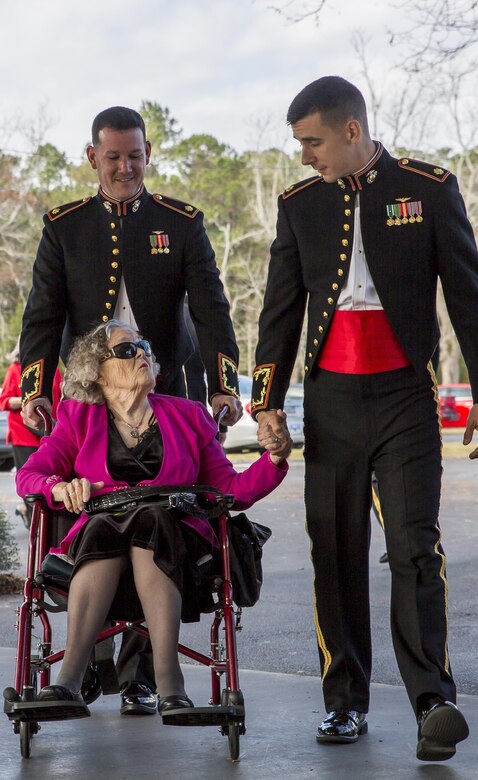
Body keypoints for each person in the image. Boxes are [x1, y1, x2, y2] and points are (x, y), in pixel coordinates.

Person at [251, 76, 478, 762]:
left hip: (404, 398)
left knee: (415, 549)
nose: (305, 155)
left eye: (312, 142)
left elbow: (467, 289)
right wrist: (266, 402)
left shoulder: (429, 186)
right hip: (331, 399)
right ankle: (344, 703)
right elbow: (279, 310)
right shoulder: (299, 205)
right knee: (333, 555)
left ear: (351, 131)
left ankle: (434, 702)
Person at [19, 105, 243, 717]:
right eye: (113, 156)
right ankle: (87, 664)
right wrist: (36, 390)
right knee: (89, 511)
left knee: (159, 516)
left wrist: (223, 386)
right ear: (93, 157)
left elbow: (212, 310)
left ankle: (142, 676)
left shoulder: (181, 222)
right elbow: (42, 315)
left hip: (166, 391)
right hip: (90, 394)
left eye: (135, 156)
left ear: (149, 154)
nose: (125, 167)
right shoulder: (64, 227)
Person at [12, 321, 291, 721]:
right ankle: (68, 681)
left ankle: (168, 681)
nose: (141, 353)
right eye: (126, 350)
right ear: (98, 372)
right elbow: (29, 476)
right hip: (101, 545)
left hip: (175, 543)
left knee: (152, 516)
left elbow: (231, 489)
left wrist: (276, 457)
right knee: (106, 523)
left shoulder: (189, 415)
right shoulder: (78, 418)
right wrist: (59, 487)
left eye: (143, 346)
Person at [0, 339, 62, 528]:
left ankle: (39, 518)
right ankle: (35, 522)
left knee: (52, 478)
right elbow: (5, 401)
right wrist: (29, 400)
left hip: (49, 434)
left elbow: (59, 401)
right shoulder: (15, 370)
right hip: (24, 435)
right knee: (30, 483)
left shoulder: (54, 371)